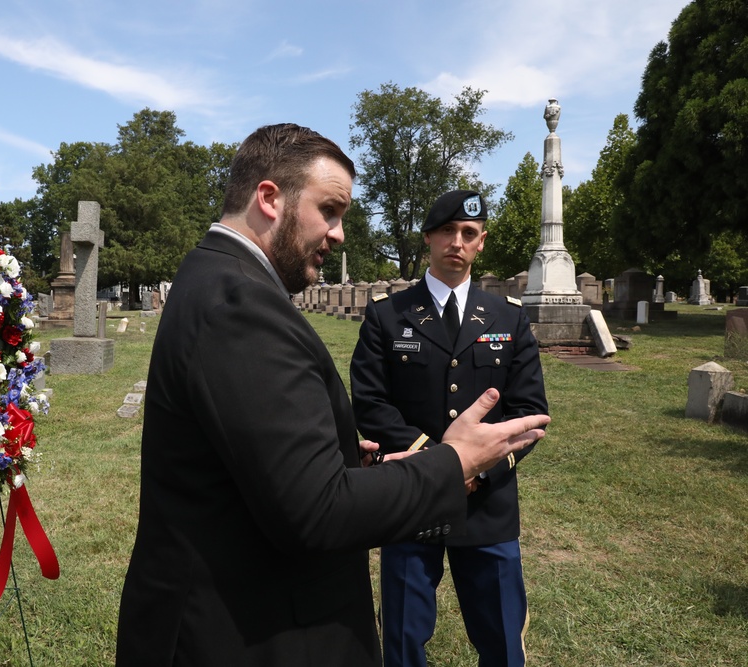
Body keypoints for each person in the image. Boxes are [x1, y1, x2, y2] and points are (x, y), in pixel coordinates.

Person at [115, 128, 550, 667]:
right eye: (330, 210)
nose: (339, 233)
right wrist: (451, 461)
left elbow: (262, 460)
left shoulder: (222, 280)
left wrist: (348, 461)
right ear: (270, 199)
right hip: (240, 631)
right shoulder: (241, 306)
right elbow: (316, 509)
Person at [350, 190, 548, 667]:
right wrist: (439, 465)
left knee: (502, 641)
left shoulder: (509, 318)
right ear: (428, 240)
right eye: (446, 232)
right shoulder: (387, 315)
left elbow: (529, 413)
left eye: (468, 234)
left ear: (481, 243)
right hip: (411, 497)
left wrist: (476, 471)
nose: (456, 242)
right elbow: (371, 403)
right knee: (401, 642)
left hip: (487, 503)